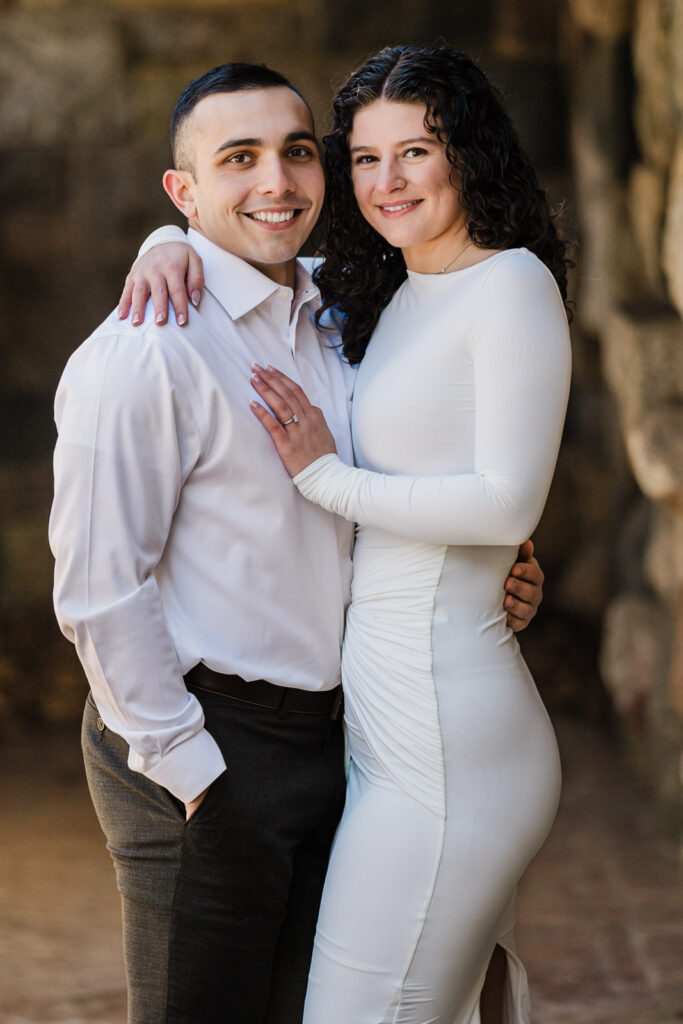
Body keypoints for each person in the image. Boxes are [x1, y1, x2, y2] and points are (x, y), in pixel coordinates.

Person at [50, 60, 544, 1024]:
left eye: (298, 151)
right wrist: (193, 775)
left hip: (337, 739)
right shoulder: (146, 349)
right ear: (183, 189)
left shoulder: (339, 311)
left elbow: (418, 472)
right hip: (205, 741)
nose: (276, 181)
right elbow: (100, 590)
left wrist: (493, 569)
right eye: (239, 158)